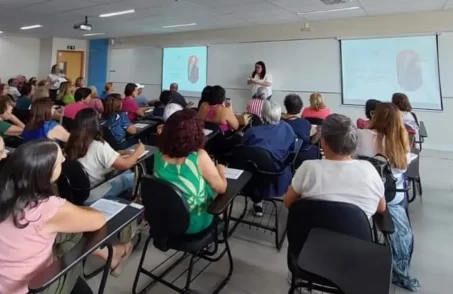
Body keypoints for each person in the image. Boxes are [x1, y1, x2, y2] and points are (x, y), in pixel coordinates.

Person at [356, 103, 420, 291]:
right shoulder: (399, 141)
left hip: (362, 193)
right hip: (389, 197)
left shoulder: (360, 135)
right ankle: (398, 267)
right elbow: (401, 169)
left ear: (375, 116)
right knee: (402, 192)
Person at [284, 113, 386, 218]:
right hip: (354, 233)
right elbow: (381, 208)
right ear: (354, 142)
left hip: (311, 231)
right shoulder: (370, 170)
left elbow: (288, 202)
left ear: (324, 142)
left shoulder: (308, 168)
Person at [154, 109, 227, 234]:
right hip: (192, 225)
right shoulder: (199, 157)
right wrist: (221, 171)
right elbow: (222, 188)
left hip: (164, 221)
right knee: (217, 192)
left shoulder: (158, 154)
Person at [65, 108, 145, 203]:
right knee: (138, 177)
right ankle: (135, 202)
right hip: (97, 191)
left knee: (126, 173)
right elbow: (125, 164)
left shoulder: (71, 143)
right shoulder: (98, 145)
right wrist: (138, 151)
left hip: (80, 192)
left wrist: (120, 153)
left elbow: (91, 159)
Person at [242, 100, 298, 216]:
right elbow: (293, 149)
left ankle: (257, 204)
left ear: (262, 115)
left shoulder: (252, 132)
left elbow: (242, 149)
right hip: (279, 177)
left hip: (252, 179)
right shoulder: (287, 128)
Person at [282, 94, 319, 164]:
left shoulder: (280, 123)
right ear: (300, 107)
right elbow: (314, 131)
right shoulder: (305, 123)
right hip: (302, 156)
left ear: (285, 105)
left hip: (285, 156)